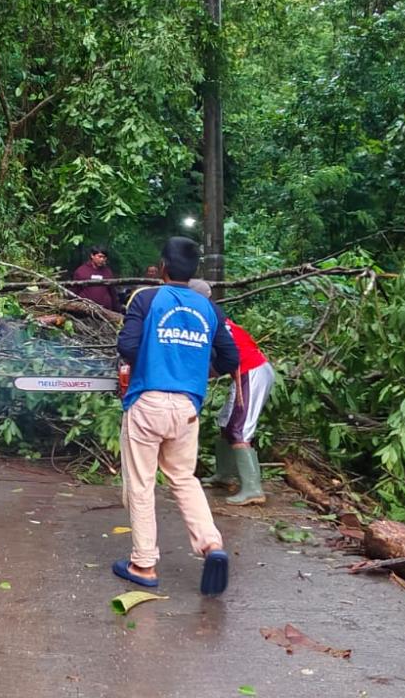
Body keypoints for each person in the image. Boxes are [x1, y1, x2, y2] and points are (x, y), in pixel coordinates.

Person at [114, 237, 239, 595]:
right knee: (184, 479)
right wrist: (198, 370)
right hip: (186, 408)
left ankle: (144, 564)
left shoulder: (147, 299)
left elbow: (127, 346)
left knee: (141, 484)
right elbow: (230, 359)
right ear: (193, 270)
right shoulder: (209, 308)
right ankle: (211, 544)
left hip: (148, 402)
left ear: (163, 266)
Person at [190, 279, 274, 506]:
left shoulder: (206, 318)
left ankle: (253, 488)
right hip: (243, 372)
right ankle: (225, 475)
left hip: (252, 372)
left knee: (240, 429)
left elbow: (225, 360)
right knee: (226, 422)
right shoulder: (214, 316)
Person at [72, 245, 119, 312]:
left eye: (104, 257)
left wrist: (117, 309)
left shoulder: (107, 272)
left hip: (105, 311)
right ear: (92, 256)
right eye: (99, 256)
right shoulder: (81, 271)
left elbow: (112, 292)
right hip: (86, 310)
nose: (102, 259)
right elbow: (75, 291)